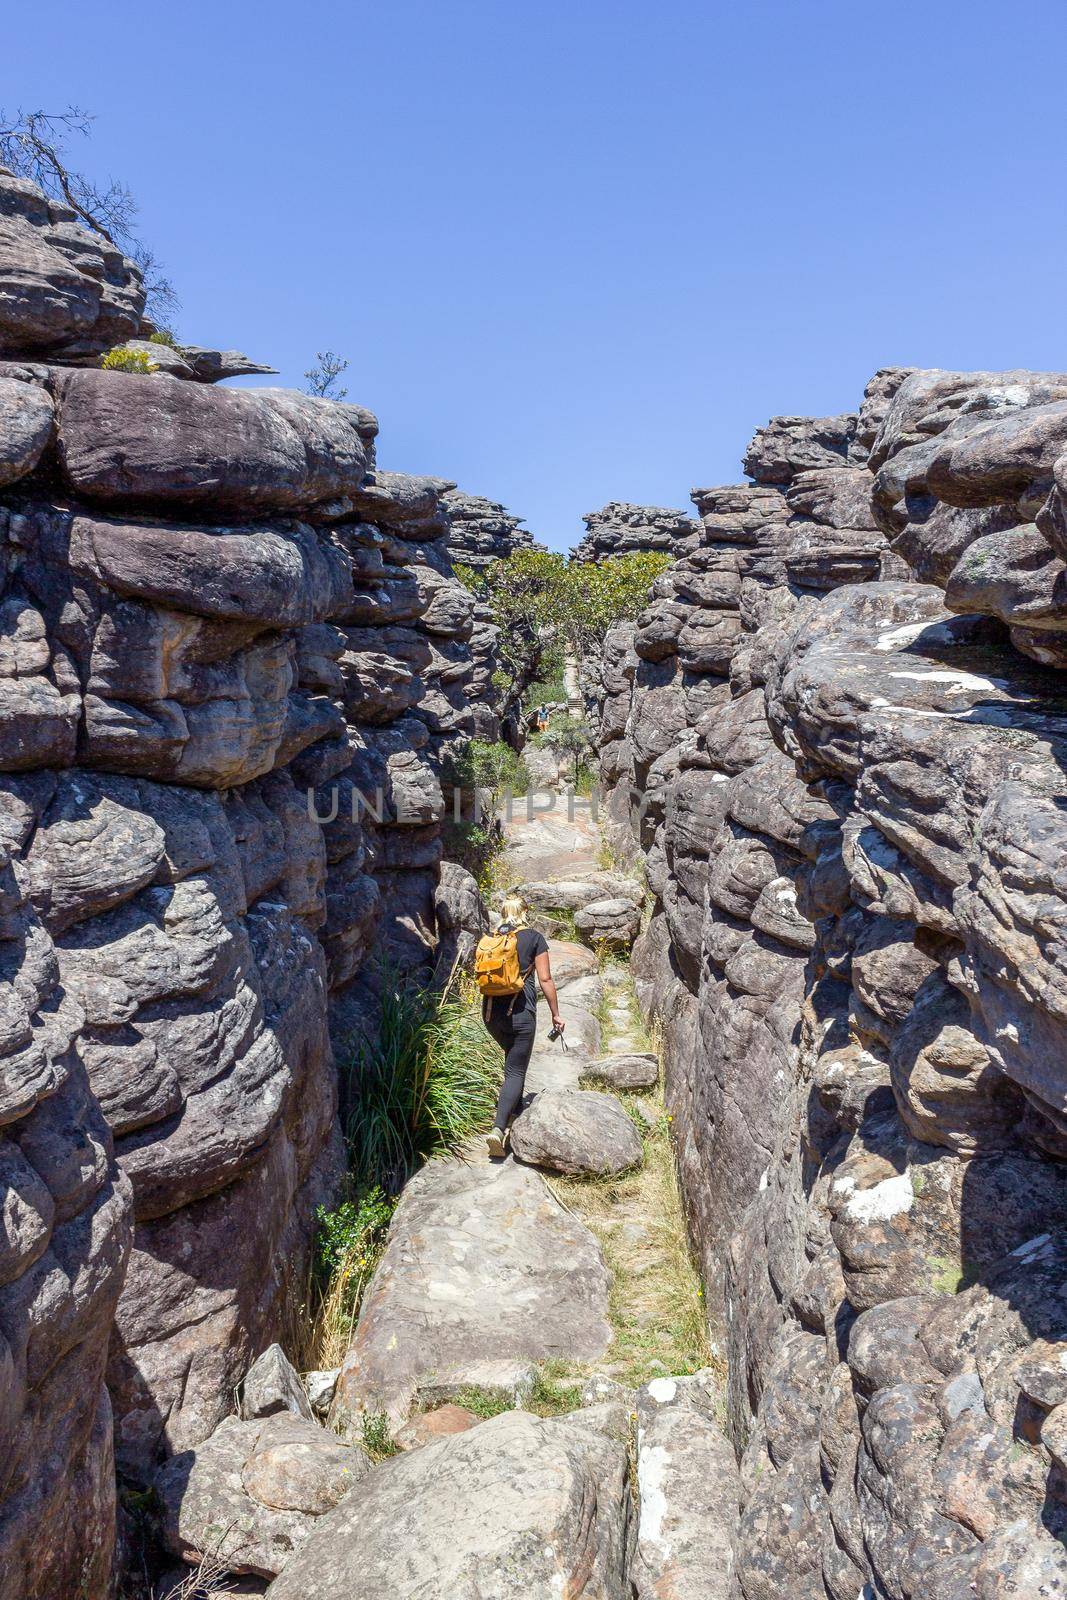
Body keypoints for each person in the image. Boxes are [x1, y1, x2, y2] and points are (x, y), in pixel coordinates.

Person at [483, 892, 565, 1159]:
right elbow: (546, 979)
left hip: (490, 1015)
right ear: (525, 912)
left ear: (504, 912)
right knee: (516, 1071)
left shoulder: (492, 938)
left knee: (511, 1062)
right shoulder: (533, 938)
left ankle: (513, 1112)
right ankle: (498, 1130)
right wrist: (556, 1013)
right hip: (520, 1013)